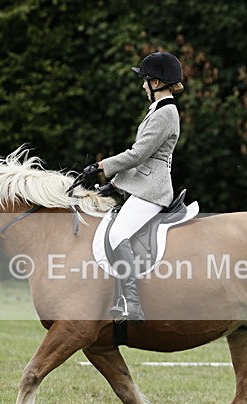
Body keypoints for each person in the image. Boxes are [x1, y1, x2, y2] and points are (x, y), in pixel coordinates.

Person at [83, 51, 184, 322]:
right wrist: (115, 185)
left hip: (153, 191)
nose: (143, 86)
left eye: (145, 80)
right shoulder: (159, 110)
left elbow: (138, 155)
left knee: (118, 234)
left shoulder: (166, 113)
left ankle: (132, 303)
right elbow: (143, 161)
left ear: (157, 82)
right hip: (144, 185)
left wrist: (102, 166)